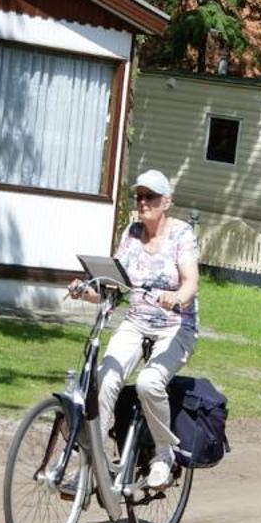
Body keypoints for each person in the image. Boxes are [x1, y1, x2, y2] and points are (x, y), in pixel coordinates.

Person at [70, 169, 199, 495]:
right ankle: (90, 468)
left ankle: (163, 456)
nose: (143, 202)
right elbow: (113, 287)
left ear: (166, 201)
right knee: (105, 381)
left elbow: (190, 283)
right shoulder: (132, 232)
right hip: (137, 321)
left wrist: (177, 299)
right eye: (139, 196)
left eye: (150, 196)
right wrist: (85, 291)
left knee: (149, 382)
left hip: (175, 326)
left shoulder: (181, 234)